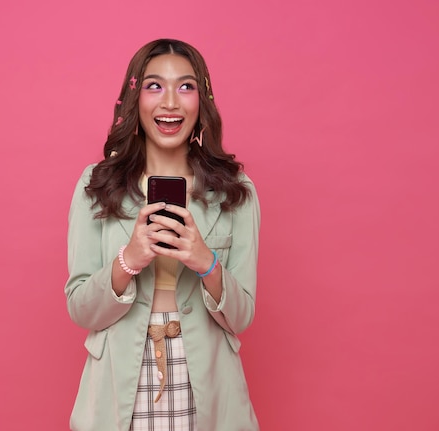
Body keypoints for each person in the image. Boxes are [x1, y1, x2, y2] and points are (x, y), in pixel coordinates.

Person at [64, 38, 260, 431]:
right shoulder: (96, 184)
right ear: (134, 100)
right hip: (119, 385)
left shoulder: (235, 191)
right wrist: (129, 259)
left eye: (185, 86)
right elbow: (81, 308)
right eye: (155, 86)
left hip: (207, 384)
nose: (170, 101)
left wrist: (206, 262)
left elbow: (241, 317)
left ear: (202, 102)